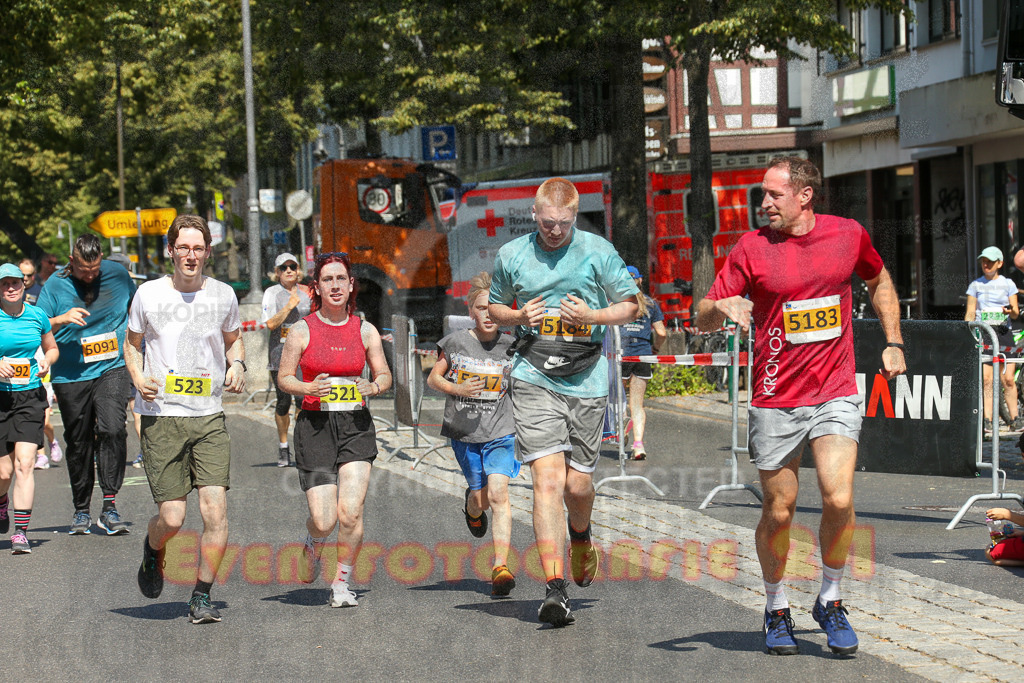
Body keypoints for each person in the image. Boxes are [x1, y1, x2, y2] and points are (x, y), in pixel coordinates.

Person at [696, 156, 906, 656]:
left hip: (834, 388)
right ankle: (776, 606)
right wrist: (720, 307)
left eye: (773, 195)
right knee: (780, 509)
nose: (763, 203)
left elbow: (879, 280)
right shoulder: (751, 247)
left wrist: (894, 340)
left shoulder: (847, 235)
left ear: (805, 195)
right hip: (776, 396)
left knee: (837, 497)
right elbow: (701, 314)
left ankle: (831, 598)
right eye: (762, 195)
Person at [488, 177, 640, 627]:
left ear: (575, 216)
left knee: (577, 488)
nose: (555, 231)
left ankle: (582, 534)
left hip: (586, 377)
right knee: (547, 483)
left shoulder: (596, 250)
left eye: (563, 223)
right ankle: (555, 589)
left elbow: (631, 306)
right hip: (534, 374)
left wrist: (593, 315)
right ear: (534, 214)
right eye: (548, 223)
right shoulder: (512, 255)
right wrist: (517, 315)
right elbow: (494, 306)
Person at [126, 214, 245, 624]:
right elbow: (133, 343)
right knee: (172, 517)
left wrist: (238, 364)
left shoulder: (224, 295)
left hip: (209, 416)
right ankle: (153, 547)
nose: (190, 256)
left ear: (207, 252)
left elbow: (234, 340)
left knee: (216, 511)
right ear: (171, 251)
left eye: (198, 248)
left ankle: (201, 595)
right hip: (162, 417)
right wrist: (139, 377)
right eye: (183, 248)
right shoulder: (148, 295)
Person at [277, 252, 392, 608]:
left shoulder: (365, 329)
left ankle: (341, 583)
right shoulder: (302, 330)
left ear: (351, 284)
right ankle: (314, 540)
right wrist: (307, 388)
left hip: (355, 426)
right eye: (328, 280)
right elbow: (284, 379)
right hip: (314, 427)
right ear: (317, 287)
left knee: (351, 512)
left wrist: (372, 387)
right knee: (325, 520)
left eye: (341, 278)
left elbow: (384, 376)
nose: (336, 285)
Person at [35, 234, 136, 535]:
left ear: (102, 258)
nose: (89, 276)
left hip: (112, 366)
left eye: (94, 270)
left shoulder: (118, 275)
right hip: (71, 373)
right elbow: (38, 323)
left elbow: (139, 311)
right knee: (78, 441)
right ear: (72, 261)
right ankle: (81, 510)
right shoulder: (55, 284)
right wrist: (62, 318)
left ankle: (109, 505)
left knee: (112, 428)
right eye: (83, 270)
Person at [427, 271, 520, 596]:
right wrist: (457, 386)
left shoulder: (512, 346)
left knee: (499, 495)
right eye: (482, 308)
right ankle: (471, 505)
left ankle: (500, 566)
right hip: (465, 434)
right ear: (471, 311)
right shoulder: (456, 343)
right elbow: (432, 380)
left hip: (501, 433)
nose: (489, 314)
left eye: (496, 308)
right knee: (481, 498)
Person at [0, 263, 59, 553]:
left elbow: (52, 347)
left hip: (29, 397)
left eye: (15, 283)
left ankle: (21, 532)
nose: (10, 288)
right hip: (0, 400)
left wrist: (47, 360)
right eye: (4, 284)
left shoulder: (37, 316)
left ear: (24, 285)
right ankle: (2, 503)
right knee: (3, 473)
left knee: (25, 463)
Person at [261, 252, 311, 467]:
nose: (289, 270)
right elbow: (271, 323)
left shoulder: (308, 293)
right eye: (284, 268)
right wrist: (289, 306)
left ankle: (300, 445)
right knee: (283, 401)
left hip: (304, 355)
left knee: (302, 400)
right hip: (279, 354)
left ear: (298, 270)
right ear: (277, 272)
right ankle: (283, 447)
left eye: (293, 266)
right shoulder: (271, 293)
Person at [965, 246, 1022, 433]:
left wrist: (1009, 310)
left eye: (990, 261)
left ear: (1000, 263)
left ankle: (1015, 418)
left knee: (1008, 380)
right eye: (983, 261)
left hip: (1004, 332)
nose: (986, 264)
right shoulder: (975, 285)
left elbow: (1014, 313)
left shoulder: (1008, 284)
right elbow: (970, 313)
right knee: (987, 380)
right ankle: (987, 419)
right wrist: (968, 331)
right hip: (985, 333)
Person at [618, 265, 666, 460]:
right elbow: (662, 333)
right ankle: (638, 445)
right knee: (637, 403)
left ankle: (623, 429)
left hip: (621, 354)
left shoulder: (618, 303)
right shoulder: (651, 305)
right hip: (643, 354)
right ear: (640, 280)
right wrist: (655, 349)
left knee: (619, 401)